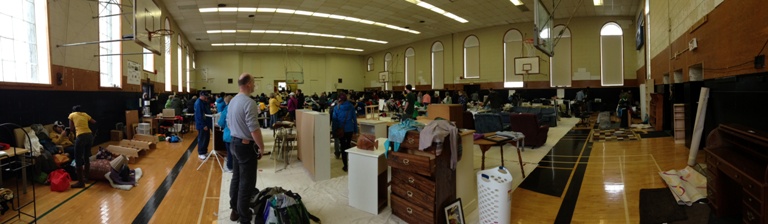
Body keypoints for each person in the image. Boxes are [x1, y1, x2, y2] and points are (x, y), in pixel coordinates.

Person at [226, 73, 266, 223]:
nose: (255, 85)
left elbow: (229, 124)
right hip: (244, 146)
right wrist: (261, 147)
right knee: (246, 182)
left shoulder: (233, 101)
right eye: (254, 82)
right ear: (249, 84)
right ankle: (244, 216)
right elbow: (254, 129)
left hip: (234, 143)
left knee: (236, 178)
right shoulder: (249, 103)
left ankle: (234, 210)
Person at [68, 105, 96, 188]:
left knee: (78, 159)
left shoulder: (72, 115)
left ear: (73, 111)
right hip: (89, 135)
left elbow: (71, 128)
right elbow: (94, 122)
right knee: (86, 157)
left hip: (81, 136)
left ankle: (81, 182)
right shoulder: (85, 114)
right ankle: (86, 178)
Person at [331, 93, 358, 172]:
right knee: (348, 146)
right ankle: (352, 163)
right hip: (350, 129)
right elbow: (354, 119)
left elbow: (334, 121)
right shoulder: (351, 107)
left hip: (341, 130)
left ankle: (345, 166)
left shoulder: (336, 108)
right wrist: (355, 130)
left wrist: (334, 131)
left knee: (343, 147)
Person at [218, 95, 234, 172]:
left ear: (226, 102)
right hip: (239, 134)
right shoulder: (238, 107)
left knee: (230, 152)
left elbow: (221, 122)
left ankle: (230, 167)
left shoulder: (226, 109)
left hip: (229, 134)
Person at [195, 92, 213, 160]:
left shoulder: (204, 102)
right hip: (202, 124)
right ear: (201, 96)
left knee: (206, 138)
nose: (206, 98)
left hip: (207, 123)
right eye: (205, 97)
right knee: (202, 138)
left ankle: (205, 151)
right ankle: (201, 153)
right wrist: (203, 125)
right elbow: (199, 115)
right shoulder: (198, 103)